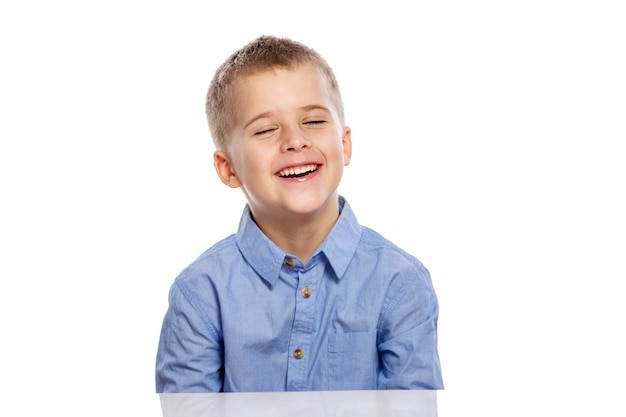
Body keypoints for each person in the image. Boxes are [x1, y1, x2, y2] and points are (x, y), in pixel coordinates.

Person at [155, 35, 443, 392]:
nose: (295, 140)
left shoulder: (401, 283)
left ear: (345, 143)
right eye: (265, 129)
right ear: (227, 168)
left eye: (314, 121)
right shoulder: (199, 293)